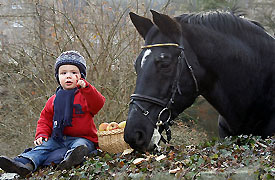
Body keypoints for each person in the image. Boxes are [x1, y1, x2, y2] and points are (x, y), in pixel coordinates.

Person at [0, 50, 105, 177]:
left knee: (80, 146)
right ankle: (25, 163)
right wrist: (41, 134)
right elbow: (45, 119)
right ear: (58, 77)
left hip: (82, 137)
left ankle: (70, 160)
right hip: (58, 138)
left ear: (81, 76)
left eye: (74, 72)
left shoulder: (85, 95)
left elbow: (98, 103)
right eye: (63, 73)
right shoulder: (53, 100)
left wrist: (87, 88)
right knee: (43, 148)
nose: (68, 76)